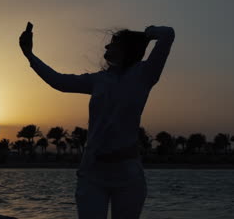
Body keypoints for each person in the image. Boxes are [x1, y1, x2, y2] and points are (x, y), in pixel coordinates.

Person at [19, 23, 175, 219]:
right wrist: (29, 55)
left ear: (126, 48)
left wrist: (148, 33)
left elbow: (168, 33)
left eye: (113, 44)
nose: (106, 47)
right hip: (92, 172)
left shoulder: (145, 74)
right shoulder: (99, 80)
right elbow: (59, 81)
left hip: (128, 174)